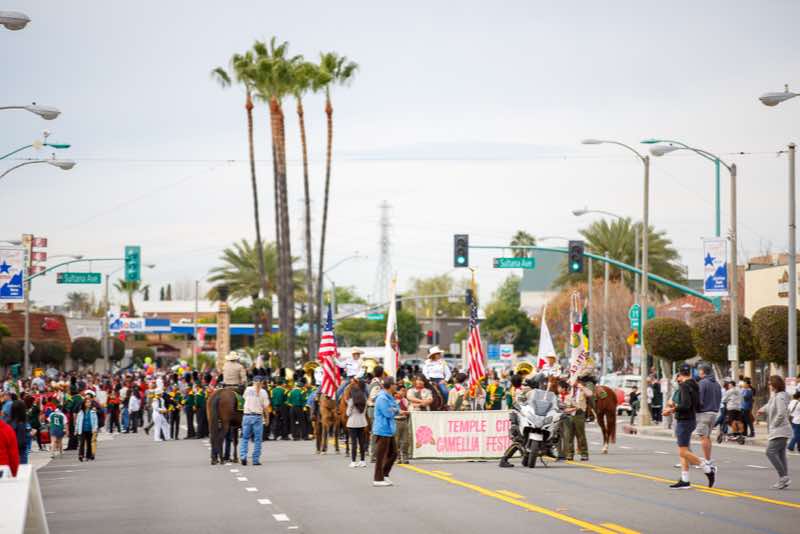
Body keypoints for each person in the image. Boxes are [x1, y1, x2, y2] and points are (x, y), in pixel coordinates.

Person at [662, 364, 715, 489]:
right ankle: (685, 480)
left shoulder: (684, 386)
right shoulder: (695, 384)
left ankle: (707, 469)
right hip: (691, 419)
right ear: (690, 372)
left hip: (684, 420)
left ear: (680, 374)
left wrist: (671, 410)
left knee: (683, 451)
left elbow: (685, 405)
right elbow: (698, 404)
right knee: (683, 451)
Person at [757, 375, 792, 489]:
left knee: (770, 452)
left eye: (770, 384)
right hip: (780, 430)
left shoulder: (780, 397)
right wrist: (762, 410)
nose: (769, 386)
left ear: (775, 384)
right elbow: (769, 406)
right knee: (781, 454)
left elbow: (781, 413)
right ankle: (784, 479)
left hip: (780, 430)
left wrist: (774, 424)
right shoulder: (775, 396)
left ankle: (784, 477)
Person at [373, 377, 403, 487]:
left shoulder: (389, 397)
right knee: (381, 456)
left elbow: (396, 408)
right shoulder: (382, 398)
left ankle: (384, 474)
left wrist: (395, 409)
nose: (396, 386)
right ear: (390, 386)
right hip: (382, 429)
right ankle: (378, 479)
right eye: (394, 384)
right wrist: (395, 410)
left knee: (393, 454)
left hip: (389, 429)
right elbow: (388, 413)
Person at [240, 376, 270, 466]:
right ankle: (255, 460)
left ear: (253, 382)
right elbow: (265, 407)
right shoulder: (263, 392)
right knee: (257, 439)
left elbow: (244, 399)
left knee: (245, 438)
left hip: (247, 416)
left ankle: (243, 456)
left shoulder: (248, 389)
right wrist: (267, 418)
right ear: (262, 383)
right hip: (257, 417)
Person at [695, 363, 722, 467]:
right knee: (707, 437)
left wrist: (696, 410)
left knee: (703, 437)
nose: (698, 372)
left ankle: (707, 461)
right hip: (714, 412)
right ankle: (708, 459)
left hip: (704, 413)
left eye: (699, 370)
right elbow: (720, 398)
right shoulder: (717, 384)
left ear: (703, 371)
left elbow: (699, 399)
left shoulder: (703, 382)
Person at [561, 380, 592, 461]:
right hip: (569, 414)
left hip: (579, 414)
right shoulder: (568, 391)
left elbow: (590, 394)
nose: (573, 382)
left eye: (574, 381)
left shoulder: (582, 390)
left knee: (581, 435)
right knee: (568, 436)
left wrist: (582, 387)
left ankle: (584, 453)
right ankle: (569, 454)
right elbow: (564, 405)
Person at [346, 380, 368, 468]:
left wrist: (349, 405)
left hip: (352, 423)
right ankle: (362, 461)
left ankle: (353, 461)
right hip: (362, 422)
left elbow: (348, 413)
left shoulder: (352, 400)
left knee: (354, 443)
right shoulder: (364, 399)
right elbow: (364, 412)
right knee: (361, 442)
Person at [75, 397, 98, 462]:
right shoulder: (80, 412)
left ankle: (88, 455)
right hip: (82, 429)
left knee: (89, 443)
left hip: (90, 429)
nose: (89, 403)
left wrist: (95, 429)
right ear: (84, 404)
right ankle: (81, 455)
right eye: (87, 402)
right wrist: (76, 430)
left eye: (89, 402)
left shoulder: (93, 412)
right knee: (82, 443)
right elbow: (78, 422)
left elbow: (95, 421)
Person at [394, 383, 411, 464]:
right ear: (397, 391)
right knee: (396, 440)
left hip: (404, 420)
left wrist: (408, 411)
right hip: (395, 420)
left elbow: (409, 409)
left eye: (405, 391)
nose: (404, 392)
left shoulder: (405, 400)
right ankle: (397, 457)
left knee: (405, 440)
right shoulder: (392, 400)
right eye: (402, 391)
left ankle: (405, 457)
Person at [9, 400, 29, 465]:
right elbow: (21, 441)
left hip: (10, 450)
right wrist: (29, 434)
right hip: (20, 451)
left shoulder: (9, 422)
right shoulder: (21, 423)